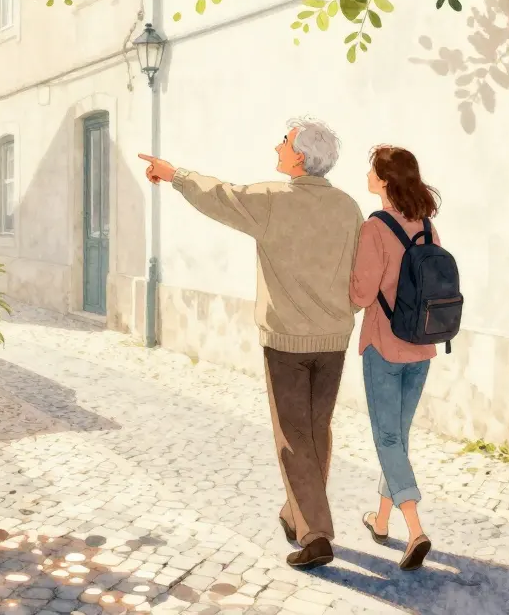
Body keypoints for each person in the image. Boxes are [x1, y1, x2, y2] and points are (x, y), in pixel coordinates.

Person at [138, 117, 363, 570]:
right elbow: (359, 271)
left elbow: (219, 196)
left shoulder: (272, 200)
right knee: (317, 431)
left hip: (287, 340)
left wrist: (173, 173)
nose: (277, 146)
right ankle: (294, 512)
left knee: (293, 437)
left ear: (299, 156)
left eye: (284, 142)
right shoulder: (348, 207)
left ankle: (316, 535)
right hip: (334, 337)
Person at [349, 144, 442, 571]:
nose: (367, 175)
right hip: (422, 346)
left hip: (384, 345)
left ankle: (415, 528)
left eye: (372, 171)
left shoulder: (374, 228)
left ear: (384, 180)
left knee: (387, 439)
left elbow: (361, 294)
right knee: (398, 439)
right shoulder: (426, 227)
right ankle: (381, 521)